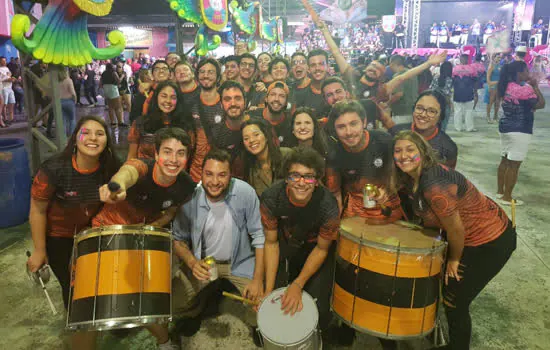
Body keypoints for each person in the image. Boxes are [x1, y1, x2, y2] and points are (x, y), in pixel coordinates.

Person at [390, 130, 517, 350]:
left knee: (455, 302)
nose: (404, 156)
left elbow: (456, 230)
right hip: (471, 238)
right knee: (447, 293)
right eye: (398, 151)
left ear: (423, 152)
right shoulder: (413, 178)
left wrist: (454, 260)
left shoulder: (434, 184)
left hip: (489, 242)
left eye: (410, 150)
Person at [26, 116, 119, 349]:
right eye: (85, 132)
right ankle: (79, 331)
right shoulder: (54, 169)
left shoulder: (111, 169)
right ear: (75, 138)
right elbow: (37, 211)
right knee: (76, 292)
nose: (92, 138)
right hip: (60, 238)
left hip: (94, 235)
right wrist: (39, 250)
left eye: (99, 133)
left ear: (107, 141)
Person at [171, 149, 265, 345]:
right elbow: (177, 238)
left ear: (231, 175)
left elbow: (259, 236)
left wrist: (257, 279)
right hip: (205, 262)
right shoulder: (191, 198)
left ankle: (254, 323)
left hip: (240, 262)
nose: (215, 181)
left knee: (259, 304)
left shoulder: (245, 192)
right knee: (176, 301)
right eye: (209, 174)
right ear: (201, 173)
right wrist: (191, 262)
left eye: (222, 174)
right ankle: (196, 308)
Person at [262, 146, 339, 341]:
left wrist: (298, 283)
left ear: (317, 181)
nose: (302, 182)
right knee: (275, 299)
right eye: (295, 176)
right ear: (286, 178)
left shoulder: (328, 206)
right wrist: (268, 291)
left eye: (309, 177)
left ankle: (321, 333)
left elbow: (322, 248)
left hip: (316, 249)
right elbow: (271, 243)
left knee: (318, 306)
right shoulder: (271, 197)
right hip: (286, 245)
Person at [325, 100, 401, 222]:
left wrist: (388, 189)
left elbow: (404, 172)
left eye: (353, 124)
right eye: (341, 127)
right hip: (355, 212)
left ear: (364, 122)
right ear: (334, 129)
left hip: (388, 206)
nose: (349, 132)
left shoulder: (384, 141)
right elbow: (335, 194)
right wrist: (337, 226)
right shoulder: (334, 154)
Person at [496, 61, 545, 206]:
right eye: (525, 71)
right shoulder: (525, 90)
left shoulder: (505, 86)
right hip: (521, 128)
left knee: (505, 159)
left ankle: (500, 191)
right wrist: (535, 86)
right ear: (518, 73)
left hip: (505, 126)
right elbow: (541, 104)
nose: (528, 73)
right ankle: (507, 197)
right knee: (514, 164)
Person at [380, 90, 458, 169]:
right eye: (419, 108)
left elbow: (447, 178)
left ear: (441, 116)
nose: (423, 114)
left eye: (431, 111)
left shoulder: (447, 147)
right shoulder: (395, 133)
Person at [128, 81, 192, 160]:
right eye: (164, 96)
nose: (168, 101)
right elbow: (131, 157)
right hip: (144, 169)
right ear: (156, 97)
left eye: (173, 97)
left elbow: (186, 158)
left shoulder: (185, 124)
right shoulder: (141, 123)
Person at [241, 117, 291, 197]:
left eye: (256, 135)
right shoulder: (249, 170)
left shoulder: (287, 155)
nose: (251, 140)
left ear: (266, 136)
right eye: (246, 138)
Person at [248, 81, 292, 146]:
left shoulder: (291, 122)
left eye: (282, 96)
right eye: (273, 94)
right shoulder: (252, 116)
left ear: (286, 102)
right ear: (266, 98)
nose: (276, 99)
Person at [293, 49, 330, 118]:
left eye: (321, 64)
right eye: (313, 65)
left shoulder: (337, 91)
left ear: (327, 66)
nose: (317, 68)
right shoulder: (300, 96)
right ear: (308, 69)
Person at [388, 55, 419, 125]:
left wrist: (387, 104)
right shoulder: (412, 73)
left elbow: (398, 94)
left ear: (392, 64)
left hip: (401, 111)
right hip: (412, 109)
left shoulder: (397, 76)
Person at [452, 54, 477, 132]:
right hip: (468, 92)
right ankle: (469, 127)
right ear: (467, 59)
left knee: (457, 110)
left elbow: (452, 80)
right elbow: (475, 80)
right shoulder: (472, 69)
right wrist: (475, 91)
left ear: (460, 59)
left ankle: (458, 127)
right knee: (469, 110)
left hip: (457, 92)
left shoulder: (455, 69)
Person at [429, 61, 453, 131]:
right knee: (443, 126)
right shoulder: (449, 80)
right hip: (444, 105)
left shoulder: (435, 78)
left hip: (434, 103)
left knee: (435, 125)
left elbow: (431, 89)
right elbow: (447, 94)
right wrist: (451, 105)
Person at [100, 63, 126, 127]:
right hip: (112, 89)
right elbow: (119, 81)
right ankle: (120, 122)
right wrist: (122, 76)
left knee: (110, 107)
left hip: (106, 89)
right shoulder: (113, 73)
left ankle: (112, 122)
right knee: (118, 107)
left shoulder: (103, 73)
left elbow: (101, 83)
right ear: (112, 67)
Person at [58, 69, 77, 137]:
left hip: (60, 101)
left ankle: (63, 137)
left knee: (63, 121)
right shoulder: (68, 80)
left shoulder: (57, 81)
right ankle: (71, 135)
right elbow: (72, 92)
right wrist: (75, 99)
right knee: (72, 119)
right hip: (69, 101)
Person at [486, 53, 502, 123]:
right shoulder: (491, 66)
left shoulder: (500, 66)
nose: (499, 59)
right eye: (498, 57)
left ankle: (495, 116)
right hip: (492, 86)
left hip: (499, 87)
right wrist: (497, 82)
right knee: (490, 102)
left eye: (500, 58)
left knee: (497, 102)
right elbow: (488, 80)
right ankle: (488, 116)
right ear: (494, 58)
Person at [0, 56, 16, 125]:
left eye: (5, 60)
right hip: (4, 88)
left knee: (12, 103)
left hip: (10, 87)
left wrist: (12, 78)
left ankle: (11, 118)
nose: (4, 62)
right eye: (3, 60)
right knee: (4, 105)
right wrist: (8, 79)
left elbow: (9, 75)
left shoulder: (7, 68)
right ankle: (5, 118)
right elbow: (1, 80)